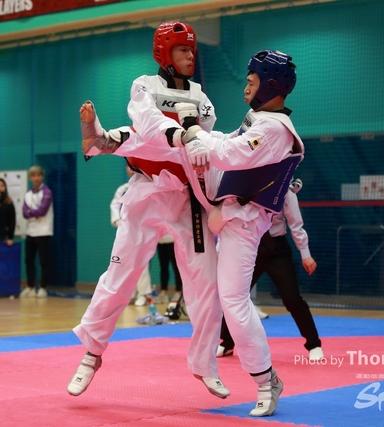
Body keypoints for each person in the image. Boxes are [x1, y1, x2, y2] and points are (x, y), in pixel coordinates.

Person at [85, 49, 303, 417]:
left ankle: (267, 381)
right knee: (170, 146)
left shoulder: (274, 129)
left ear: (270, 86)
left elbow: (231, 153)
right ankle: (105, 141)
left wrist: (195, 135)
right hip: (222, 209)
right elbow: (225, 141)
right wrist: (191, 136)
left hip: (244, 223)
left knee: (232, 301)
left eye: (252, 81)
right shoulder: (259, 119)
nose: (246, 86)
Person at [69, 22, 227, 401]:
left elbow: (201, 140)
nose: (190, 56)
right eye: (182, 50)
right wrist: (180, 133)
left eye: (191, 50)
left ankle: (206, 364)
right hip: (147, 191)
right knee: (120, 275)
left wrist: (192, 140)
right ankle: (91, 354)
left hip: (187, 197)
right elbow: (148, 123)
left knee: (207, 284)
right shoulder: (145, 86)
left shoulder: (202, 98)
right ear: (164, 53)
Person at [217, 181, 324, 362]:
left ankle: (314, 345)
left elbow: (296, 225)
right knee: (235, 297)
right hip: (247, 246)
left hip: (277, 249)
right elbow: (230, 220)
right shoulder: (242, 184)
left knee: (292, 299)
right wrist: (221, 248)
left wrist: (305, 254)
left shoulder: (285, 189)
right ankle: (227, 343)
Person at [110, 165, 152, 307]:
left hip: (142, 230)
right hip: (125, 231)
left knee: (141, 262)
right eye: (128, 167)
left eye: (133, 167)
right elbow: (114, 206)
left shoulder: (147, 186)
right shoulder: (123, 189)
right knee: (124, 263)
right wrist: (118, 221)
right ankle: (129, 294)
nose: (131, 169)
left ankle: (144, 294)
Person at [20, 165, 53, 298]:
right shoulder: (28, 194)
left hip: (43, 231)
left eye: (38, 175)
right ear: (30, 178)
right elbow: (24, 212)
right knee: (29, 260)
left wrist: (31, 212)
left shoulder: (47, 192)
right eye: (33, 176)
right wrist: (33, 213)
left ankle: (43, 287)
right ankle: (30, 287)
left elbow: (42, 211)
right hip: (30, 231)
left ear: (42, 177)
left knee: (43, 261)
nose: (36, 178)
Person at [155, 234, 182, 303]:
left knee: (176, 267)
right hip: (161, 241)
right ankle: (163, 293)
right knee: (163, 267)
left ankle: (178, 293)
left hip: (172, 240)